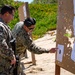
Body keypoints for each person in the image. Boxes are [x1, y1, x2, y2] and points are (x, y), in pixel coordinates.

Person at [0, 5, 16, 75]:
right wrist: (11, 56)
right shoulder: (1, 26)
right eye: (12, 15)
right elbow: (1, 44)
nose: (13, 18)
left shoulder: (4, 25)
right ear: (6, 14)